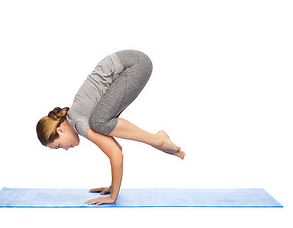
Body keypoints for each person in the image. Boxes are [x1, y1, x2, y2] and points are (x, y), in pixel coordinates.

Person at [36, 50, 185, 206]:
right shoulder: (78, 116)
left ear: (60, 129)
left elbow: (116, 155)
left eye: (59, 145)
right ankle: (158, 140)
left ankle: (157, 140)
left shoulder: (78, 122)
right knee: (100, 123)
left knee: (98, 122)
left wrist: (113, 196)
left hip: (132, 65)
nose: (65, 149)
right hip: (132, 63)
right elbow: (117, 149)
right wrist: (113, 186)